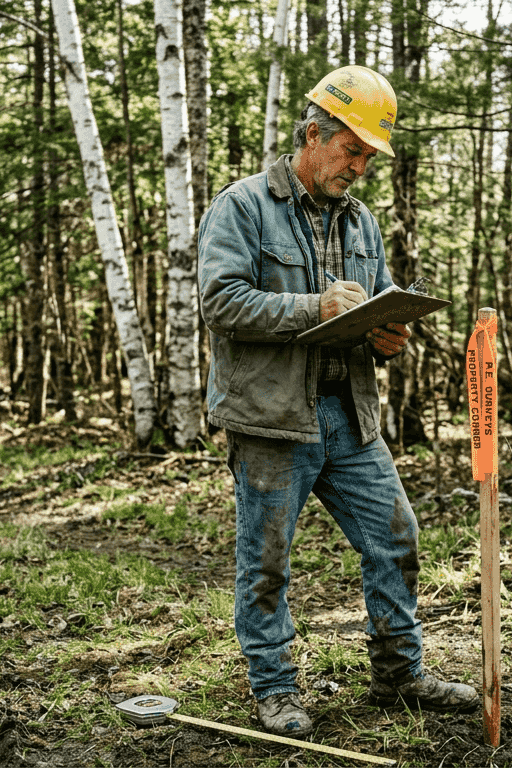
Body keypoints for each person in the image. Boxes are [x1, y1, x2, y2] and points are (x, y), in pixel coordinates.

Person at [197, 65, 479, 736]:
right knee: (266, 561)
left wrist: (387, 337)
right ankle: (274, 690)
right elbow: (220, 302)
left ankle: (398, 674)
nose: (359, 167)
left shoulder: (361, 222)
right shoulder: (243, 206)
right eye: (352, 150)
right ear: (313, 135)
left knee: (395, 536)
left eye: (369, 157)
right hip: (271, 420)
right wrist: (311, 307)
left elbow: (376, 303)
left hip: (350, 416)